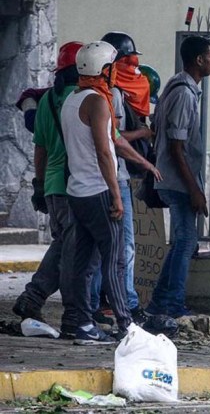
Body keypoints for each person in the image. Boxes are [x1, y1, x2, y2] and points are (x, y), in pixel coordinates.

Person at [60, 41, 133, 345]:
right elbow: (105, 153)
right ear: (104, 70)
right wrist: (116, 195)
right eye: (113, 67)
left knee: (83, 262)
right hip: (99, 190)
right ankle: (127, 325)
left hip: (78, 191)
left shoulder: (71, 99)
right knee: (113, 261)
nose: (116, 73)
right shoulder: (98, 102)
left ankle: (77, 322)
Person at [12, 42, 84, 339]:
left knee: (64, 244)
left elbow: (39, 149)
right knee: (72, 250)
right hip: (76, 186)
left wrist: (39, 186)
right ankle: (65, 308)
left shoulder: (47, 102)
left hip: (54, 185)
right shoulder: (83, 100)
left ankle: (34, 298)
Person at [146, 35, 210, 318]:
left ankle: (161, 303)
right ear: (198, 60)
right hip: (177, 180)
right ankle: (171, 305)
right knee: (185, 242)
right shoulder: (184, 93)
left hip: (174, 178)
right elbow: (177, 147)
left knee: (183, 242)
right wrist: (194, 189)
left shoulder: (180, 88)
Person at [95, 31, 157, 325]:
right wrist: (144, 145)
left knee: (101, 247)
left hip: (95, 180)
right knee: (124, 246)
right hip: (112, 178)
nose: (133, 65)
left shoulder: (90, 94)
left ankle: (98, 302)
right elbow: (114, 141)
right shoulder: (112, 95)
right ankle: (126, 303)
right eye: (127, 60)